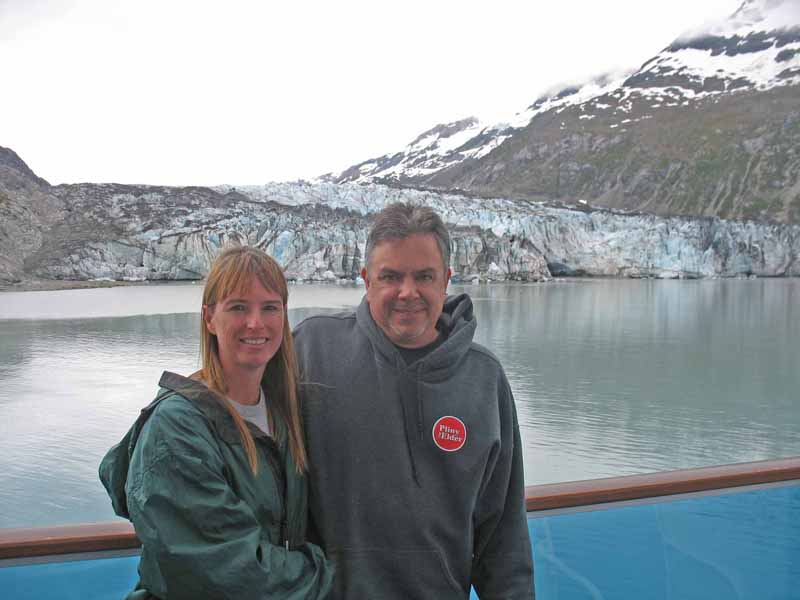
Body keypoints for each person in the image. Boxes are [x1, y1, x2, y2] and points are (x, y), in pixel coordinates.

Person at [293, 203, 534, 599]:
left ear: (446, 281)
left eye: (424, 276)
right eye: (391, 277)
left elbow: (503, 536)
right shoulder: (311, 351)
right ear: (366, 279)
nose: (408, 292)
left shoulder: (483, 379)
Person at [99, 246, 334, 600]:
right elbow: (231, 573)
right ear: (210, 318)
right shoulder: (176, 430)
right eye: (238, 307)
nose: (256, 323)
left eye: (270, 307)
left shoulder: (286, 415)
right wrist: (336, 576)